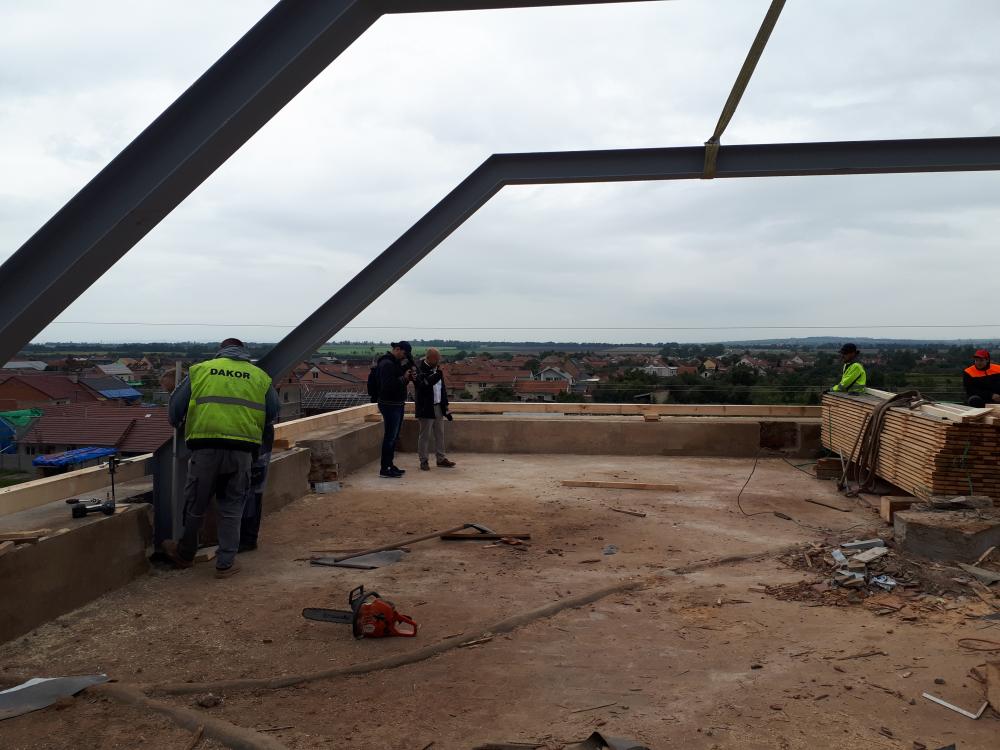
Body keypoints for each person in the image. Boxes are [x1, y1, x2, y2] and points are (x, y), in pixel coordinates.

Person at [162, 338, 279, 578]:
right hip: (242, 451)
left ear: (221, 352)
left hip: (205, 447)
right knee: (232, 507)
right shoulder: (259, 376)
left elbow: (175, 409)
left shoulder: (201, 370)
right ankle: (225, 563)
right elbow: (273, 412)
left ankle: (185, 554)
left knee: (196, 504)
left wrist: (181, 423)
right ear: (243, 352)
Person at [375, 341, 415, 478]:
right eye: (404, 353)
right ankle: (385, 468)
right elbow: (388, 385)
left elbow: (399, 382)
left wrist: (407, 377)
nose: (404, 357)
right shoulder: (387, 364)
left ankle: (389, 465)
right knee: (390, 437)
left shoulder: (394, 363)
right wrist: (404, 378)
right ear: (397, 349)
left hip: (396, 404)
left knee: (393, 437)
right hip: (390, 404)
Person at [414, 347, 456, 471]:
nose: (438, 361)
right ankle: (424, 461)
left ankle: (441, 459)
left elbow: (442, 389)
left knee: (440, 434)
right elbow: (423, 385)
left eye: (439, 359)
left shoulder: (437, 370)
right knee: (425, 436)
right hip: (426, 407)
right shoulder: (419, 370)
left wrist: (445, 406)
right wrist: (436, 376)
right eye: (436, 359)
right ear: (428, 358)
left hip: (438, 407)